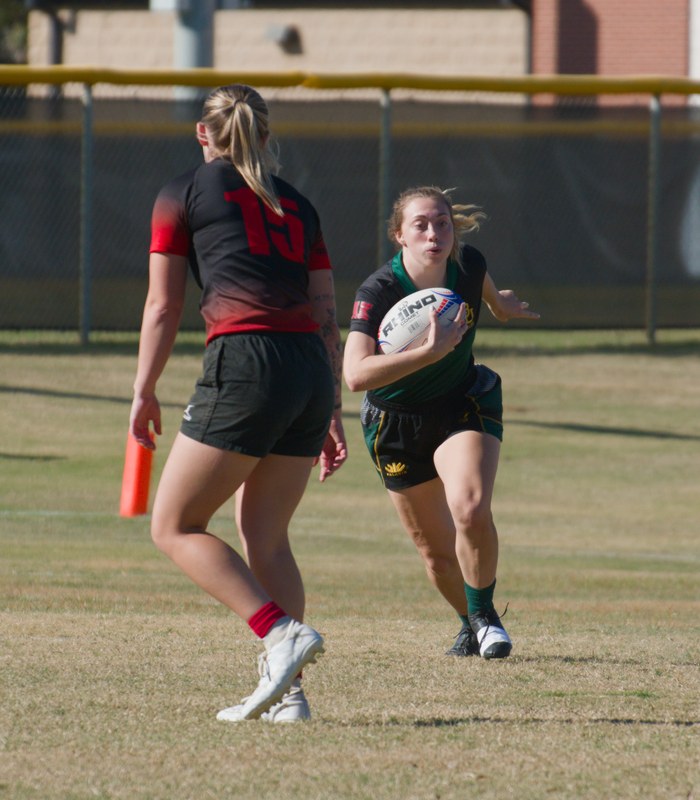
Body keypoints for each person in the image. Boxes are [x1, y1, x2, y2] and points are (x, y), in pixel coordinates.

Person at [129, 84, 347, 723]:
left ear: (204, 133)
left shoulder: (183, 192)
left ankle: (280, 633)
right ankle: (291, 696)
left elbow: (163, 305)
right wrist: (329, 405)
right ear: (266, 135)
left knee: (173, 525)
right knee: (267, 536)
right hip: (307, 366)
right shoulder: (300, 206)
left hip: (247, 361)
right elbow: (324, 313)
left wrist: (144, 388)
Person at [343, 186, 538, 659]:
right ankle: (470, 623)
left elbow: (482, 284)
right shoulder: (378, 291)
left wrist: (499, 306)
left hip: (462, 402)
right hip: (394, 421)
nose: (435, 233)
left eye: (443, 223)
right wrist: (429, 351)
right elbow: (354, 375)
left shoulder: (468, 264)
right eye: (421, 225)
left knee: (469, 510)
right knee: (435, 553)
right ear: (400, 237)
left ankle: (486, 617)